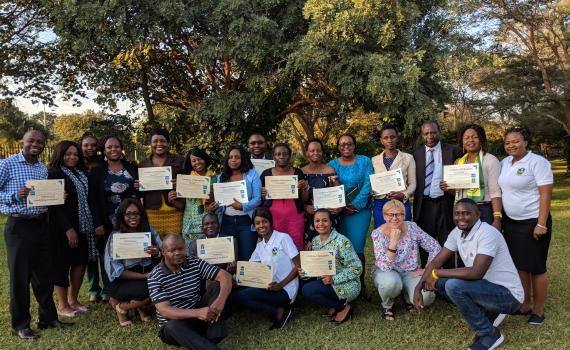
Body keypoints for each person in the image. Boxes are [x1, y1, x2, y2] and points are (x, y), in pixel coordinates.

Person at [413, 199, 524, 350]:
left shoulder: (488, 233)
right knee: (442, 284)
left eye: (466, 213)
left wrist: (436, 273)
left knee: (453, 285)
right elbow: (436, 261)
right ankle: (490, 312)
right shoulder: (457, 232)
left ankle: (489, 333)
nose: (461, 218)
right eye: (457, 214)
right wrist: (418, 287)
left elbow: (476, 273)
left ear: (478, 215)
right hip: (486, 288)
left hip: (509, 296)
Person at [0, 130, 72, 340]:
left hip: (42, 225)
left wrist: (58, 196)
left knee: (44, 276)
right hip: (19, 226)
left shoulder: (42, 168)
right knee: (20, 278)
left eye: (40, 141)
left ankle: (48, 318)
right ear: (22, 142)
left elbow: (43, 196)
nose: (36, 144)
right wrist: (14, 195)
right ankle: (20, 325)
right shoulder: (7, 164)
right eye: (31, 140)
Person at [498, 127, 553, 325]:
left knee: (536, 267)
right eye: (507, 143)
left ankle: (538, 310)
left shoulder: (538, 162)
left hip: (533, 222)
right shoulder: (504, 163)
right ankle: (525, 303)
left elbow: (546, 193)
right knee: (520, 265)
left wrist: (541, 223)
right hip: (512, 223)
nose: (511, 145)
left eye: (516, 141)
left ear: (526, 142)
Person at [148, 234, 233, 350]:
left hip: (198, 318)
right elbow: (165, 311)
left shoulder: (194, 262)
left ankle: (213, 337)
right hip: (176, 326)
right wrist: (197, 313)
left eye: (181, 249)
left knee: (217, 286)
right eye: (172, 250)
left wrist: (219, 302)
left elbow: (225, 276)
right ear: (163, 252)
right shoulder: (155, 276)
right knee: (171, 326)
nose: (177, 253)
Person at [370, 200, 440, 320]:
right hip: (387, 272)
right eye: (390, 214)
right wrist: (393, 242)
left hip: (410, 271)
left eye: (399, 214)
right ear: (384, 216)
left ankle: (407, 297)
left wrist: (426, 270)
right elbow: (385, 267)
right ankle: (388, 306)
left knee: (427, 297)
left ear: (404, 215)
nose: (395, 218)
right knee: (390, 283)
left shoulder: (412, 227)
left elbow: (435, 247)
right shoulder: (378, 234)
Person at [89, 135, 139, 301]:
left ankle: (131, 291)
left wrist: (140, 187)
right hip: (107, 221)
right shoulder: (97, 172)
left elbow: (140, 193)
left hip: (131, 220)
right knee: (108, 256)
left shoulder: (132, 167)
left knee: (131, 254)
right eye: (109, 147)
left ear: (121, 148)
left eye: (116, 146)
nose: (113, 150)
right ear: (103, 150)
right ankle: (111, 293)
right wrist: (97, 223)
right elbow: (92, 199)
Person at [233, 207, 300, 330]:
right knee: (239, 294)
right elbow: (250, 269)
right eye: (257, 223)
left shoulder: (283, 238)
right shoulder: (259, 246)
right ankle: (275, 309)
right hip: (270, 287)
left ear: (270, 222)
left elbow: (298, 265)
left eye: (264, 221)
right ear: (254, 226)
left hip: (286, 289)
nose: (261, 225)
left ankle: (280, 313)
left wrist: (280, 285)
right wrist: (235, 269)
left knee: (244, 296)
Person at [48, 141, 94, 317]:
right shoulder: (54, 173)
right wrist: (68, 229)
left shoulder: (81, 173)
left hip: (83, 225)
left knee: (80, 262)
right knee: (62, 265)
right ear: (60, 154)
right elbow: (54, 206)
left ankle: (73, 300)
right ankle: (63, 304)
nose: (72, 157)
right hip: (62, 227)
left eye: (75, 154)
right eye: (68, 154)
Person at [328, 134, 373, 299]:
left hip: (360, 211)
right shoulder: (332, 164)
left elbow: (369, 184)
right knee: (339, 251)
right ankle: (342, 283)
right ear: (338, 147)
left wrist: (355, 205)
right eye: (342, 144)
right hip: (338, 213)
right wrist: (339, 207)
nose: (346, 147)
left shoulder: (365, 161)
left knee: (357, 249)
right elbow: (326, 185)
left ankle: (361, 285)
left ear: (354, 145)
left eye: (349, 144)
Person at [104, 198, 162, 326]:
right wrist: (144, 276)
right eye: (128, 214)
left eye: (136, 213)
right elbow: (116, 270)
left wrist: (157, 252)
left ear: (141, 215)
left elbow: (164, 254)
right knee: (150, 291)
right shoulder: (116, 236)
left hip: (146, 273)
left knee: (162, 286)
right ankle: (121, 306)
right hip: (122, 280)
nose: (132, 217)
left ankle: (139, 306)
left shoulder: (150, 232)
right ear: (122, 216)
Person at [412, 120, 462, 268]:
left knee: (448, 243)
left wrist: (452, 184)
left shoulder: (454, 151)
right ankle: (427, 280)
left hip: (446, 203)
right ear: (421, 135)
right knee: (425, 243)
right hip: (424, 205)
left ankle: (446, 283)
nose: (430, 136)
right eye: (426, 133)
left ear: (439, 132)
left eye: (433, 132)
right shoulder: (415, 154)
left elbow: (464, 173)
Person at [299, 209, 362, 324]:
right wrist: (305, 272)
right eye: (317, 221)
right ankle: (334, 303)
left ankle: (342, 307)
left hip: (346, 284)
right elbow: (317, 266)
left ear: (331, 223)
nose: (321, 224)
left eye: (325, 220)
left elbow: (357, 268)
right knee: (300, 284)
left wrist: (334, 279)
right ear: (313, 223)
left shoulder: (341, 241)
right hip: (325, 280)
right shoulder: (316, 241)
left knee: (308, 290)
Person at [440, 124, 502, 229]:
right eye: (466, 138)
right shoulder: (459, 162)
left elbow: (495, 191)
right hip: (462, 211)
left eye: (475, 137)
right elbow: (457, 192)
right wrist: (447, 187)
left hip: (483, 209)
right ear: (462, 141)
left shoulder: (490, 160)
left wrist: (497, 219)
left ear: (481, 139)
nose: (470, 140)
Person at [209, 146, 261, 261]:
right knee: (227, 258)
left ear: (243, 159)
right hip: (226, 221)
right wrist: (214, 207)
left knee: (246, 257)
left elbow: (258, 199)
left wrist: (243, 206)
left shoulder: (252, 174)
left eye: (237, 157)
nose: (233, 160)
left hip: (246, 222)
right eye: (230, 157)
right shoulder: (221, 177)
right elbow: (220, 204)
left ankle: (243, 279)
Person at [260, 143, 309, 251]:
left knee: (296, 245)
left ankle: (296, 268)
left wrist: (305, 188)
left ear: (289, 155)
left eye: (285, 154)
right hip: (273, 217)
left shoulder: (298, 172)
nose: (281, 156)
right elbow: (261, 200)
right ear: (273, 157)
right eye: (278, 154)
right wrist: (262, 194)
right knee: (275, 246)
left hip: (295, 217)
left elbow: (304, 199)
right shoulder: (266, 174)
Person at [137, 128, 185, 237]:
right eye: (155, 141)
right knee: (156, 248)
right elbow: (140, 194)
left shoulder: (179, 160)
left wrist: (180, 184)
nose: (159, 144)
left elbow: (189, 185)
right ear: (150, 144)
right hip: (152, 213)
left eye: (163, 141)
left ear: (167, 143)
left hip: (175, 212)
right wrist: (138, 186)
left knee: (174, 246)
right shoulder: (143, 164)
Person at [371, 124, 416, 227]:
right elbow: (372, 182)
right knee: (382, 236)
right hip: (380, 203)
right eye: (386, 138)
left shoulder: (408, 158)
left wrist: (404, 194)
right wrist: (372, 190)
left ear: (397, 138)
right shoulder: (374, 160)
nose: (389, 140)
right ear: (381, 140)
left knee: (403, 237)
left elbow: (413, 183)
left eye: (392, 137)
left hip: (400, 202)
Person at [301, 138, 341, 248]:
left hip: (328, 217)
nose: (315, 153)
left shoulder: (330, 170)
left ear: (322, 152)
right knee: (310, 249)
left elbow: (337, 195)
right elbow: (298, 198)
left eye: (318, 150)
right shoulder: (301, 172)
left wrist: (336, 183)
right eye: (312, 150)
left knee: (330, 248)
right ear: (307, 153)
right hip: (310, 217)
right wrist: (305, 207)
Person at [81, 133, 106, 303]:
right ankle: (93, 288)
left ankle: (106, 288)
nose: (90, 148)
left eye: (93, 145)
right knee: (90, 254)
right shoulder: (77, 163)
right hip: (83, 212)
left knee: (104, 253)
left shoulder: (103, 164)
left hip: (100, 210)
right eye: (86, 145)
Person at [178, 147, 216, 253]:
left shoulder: (215, 178)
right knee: (191, 256)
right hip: (190, 226)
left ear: (205, 159)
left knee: (208, 255)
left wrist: (214, 206)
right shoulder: (186, 179)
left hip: (209, 225)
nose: (197, 163)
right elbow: (181, 203)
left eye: (199, 159)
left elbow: (219, 201)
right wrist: (173, 197)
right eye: (193, 161)